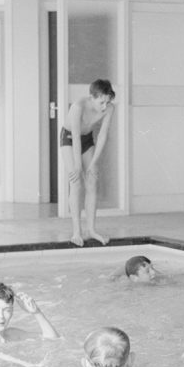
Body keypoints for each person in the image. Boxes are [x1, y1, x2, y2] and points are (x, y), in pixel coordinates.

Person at [61, 78, 116, 247]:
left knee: (92, 181)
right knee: (76, 182)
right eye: (101, 102)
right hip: (70, 138)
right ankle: (77, 232)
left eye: (107, 102)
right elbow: (76, 138)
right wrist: (78, 165)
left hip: (87, 140)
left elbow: (102, 135)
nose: (104, 106)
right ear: (92, 97)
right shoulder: (78, 107)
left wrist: (93, 163)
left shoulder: (109, 108)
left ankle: (91, 230)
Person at [0, 282, 60, 367]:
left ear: (12, 312)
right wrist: (30, 366)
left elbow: (52, 338)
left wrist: (36, 312)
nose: (1, 316)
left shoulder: (12, 334)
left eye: (7, 310)